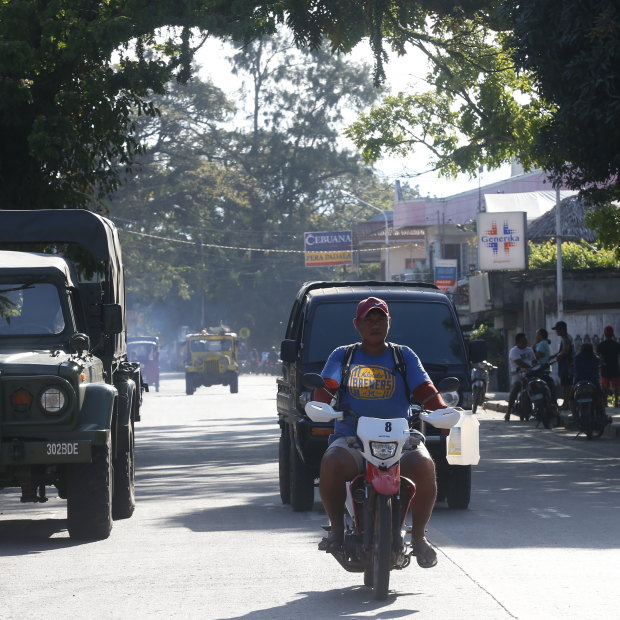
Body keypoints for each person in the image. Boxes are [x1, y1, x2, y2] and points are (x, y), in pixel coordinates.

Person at [313, 297, 448, 568]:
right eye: (368, 320)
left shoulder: (403, 355)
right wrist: (318, 406)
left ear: (389, 323)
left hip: (399, 436)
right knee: (330, 462)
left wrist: (442, 410)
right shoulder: (344, 355)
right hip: (352, 437)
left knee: (424, 465)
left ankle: (419, 537)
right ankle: (337, 531)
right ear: (357, 324)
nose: (374, 325)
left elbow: (424, 389)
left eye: (380, 320)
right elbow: (326, 387)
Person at [505, 332, 537, 421]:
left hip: (530, 373)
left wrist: (534, 367)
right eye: (523, 341)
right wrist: (528, 367)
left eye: (526, 340)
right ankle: (508, 411)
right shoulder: (514, 351)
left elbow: (534, 361)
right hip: (517, 373)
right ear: (518, 342)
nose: (525, 342)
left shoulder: (530, 350)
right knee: (516, 387)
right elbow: (519, 362)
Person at [572, 342, 605, 416]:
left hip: (578, 381)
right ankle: (602, 414)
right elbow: (600, 365)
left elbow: (573, 368)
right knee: (600, 396)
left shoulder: (576, 358)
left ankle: (574, 413)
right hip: (593, 381)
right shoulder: (595, 358)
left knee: (571, 397)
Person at [550, 321, 574, 410]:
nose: (556, 332)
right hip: (565, 364)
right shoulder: (565, 338)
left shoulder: (566, 338)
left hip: (566, 364)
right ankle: (566, 403)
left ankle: (566, 404)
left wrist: (557, 356)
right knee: (566, 385)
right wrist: (554, 355)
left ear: (562, 329)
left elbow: (565, 351)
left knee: (566, 385)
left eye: (557, 329)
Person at [597, 326, 620, 407]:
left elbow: (599, 356)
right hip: (614, 368)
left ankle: (605, 404)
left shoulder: (601, 345)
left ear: (605, 334)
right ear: (612, 334)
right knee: (616, 387)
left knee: (604, 388)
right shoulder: (616, 345)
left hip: (605, 368)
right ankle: (616, 403)